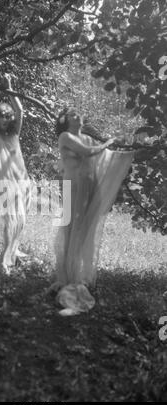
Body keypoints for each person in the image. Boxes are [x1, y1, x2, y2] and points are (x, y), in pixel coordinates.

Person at [52, 107, 134, 316]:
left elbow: (103, 157)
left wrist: (126, 153)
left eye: (79, 113)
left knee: (86, 226)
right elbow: (89, 152)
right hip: (73, 185)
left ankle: (78, 275)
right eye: (72, 114)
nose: (78, 116)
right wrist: (109, 141)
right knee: (72, 226)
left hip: (88, 185)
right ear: (65, 120)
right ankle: (66, 277)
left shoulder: (87, 137)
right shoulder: (65, 136)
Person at [0, 74, 30, 274]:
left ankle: (14, 250)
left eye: (7, 116)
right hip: (5, 181)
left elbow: (20, 110)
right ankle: (3, 260)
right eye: (1, 115)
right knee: (10, 218)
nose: (5, 118)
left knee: (21, 220)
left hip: (23, 180)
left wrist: (10, 87)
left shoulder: (14, 133)